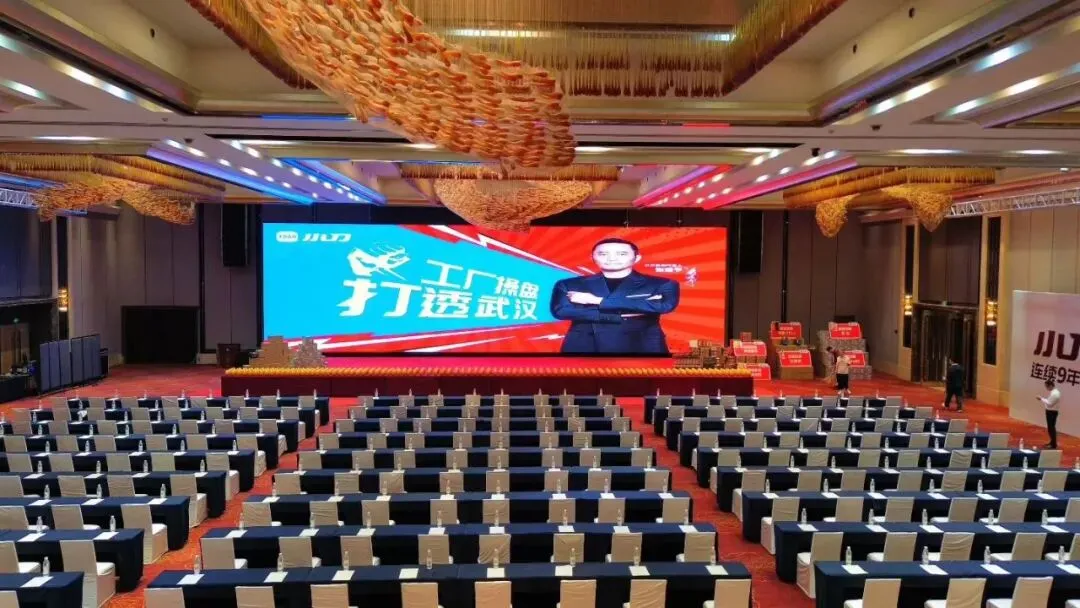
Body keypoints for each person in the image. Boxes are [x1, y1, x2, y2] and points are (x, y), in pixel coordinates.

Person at [550, 238, 680, 354]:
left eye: (621, 254)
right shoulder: (569, 284)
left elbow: (664, 306)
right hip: (585, 345)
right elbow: (561, 311)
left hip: (640, 344)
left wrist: (597, 301)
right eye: (603, 254)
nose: (611, 258)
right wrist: (622, 314)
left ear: (637, 258)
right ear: (592, 257)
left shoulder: (661, 284)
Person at [1037, 378, 1061, 449]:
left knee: (1051, 428)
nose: (1046, 388)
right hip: (1051, 412)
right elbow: (1049, 402)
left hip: (1051, 413)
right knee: (1050, 428)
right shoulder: (1054, 392)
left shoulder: (1055, 394)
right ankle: (1052, 442)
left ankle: (1053, 444)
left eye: (1047, 387)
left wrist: (1041, 399)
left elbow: (1049, 403)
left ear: (1050, 385)